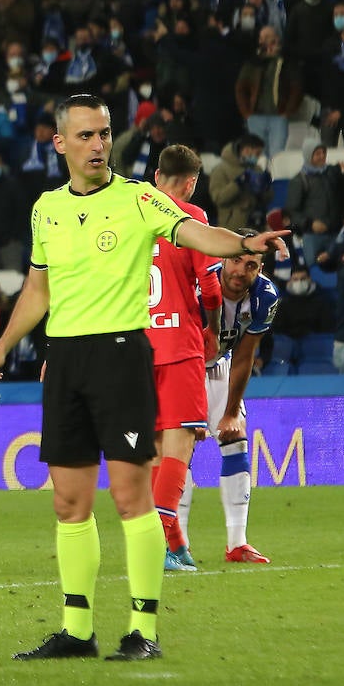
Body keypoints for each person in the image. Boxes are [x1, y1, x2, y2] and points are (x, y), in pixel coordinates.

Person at [0, 94, 289, 663]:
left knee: (130, 498)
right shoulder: (46, 208)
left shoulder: (140, 199)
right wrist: (1, 348)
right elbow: (38, 288)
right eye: (87, 135)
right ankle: (76, 630)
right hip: (64, 361)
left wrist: (243, 242)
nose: (99, 144)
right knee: (69, 503)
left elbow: (197, 235)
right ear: (60, 143)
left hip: (121, 358)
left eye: (105, 133)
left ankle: (143, 629)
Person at [177, 229, 279, 565]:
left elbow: (246, 355)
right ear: (224, 258)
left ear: (259, 269)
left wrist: (231, 412)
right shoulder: (196, 285)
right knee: (179, 452)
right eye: (236, 260)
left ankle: (237, 543)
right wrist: (193, 403)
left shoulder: (265, 296)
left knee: (236, 443)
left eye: (251, 265)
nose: (240, 270)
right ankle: (178, 545)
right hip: (180, 368)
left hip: (220, 368)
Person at [144, 145, 223, 572]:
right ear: (191, 181)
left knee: (158, 450)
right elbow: (210, 288)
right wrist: (211, 327)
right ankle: (157, 538)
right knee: (181, 443)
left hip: (138, 347)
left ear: (157, 176)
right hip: (179, 344)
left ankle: (176, 548)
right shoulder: (191, 218)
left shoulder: (134, 214)